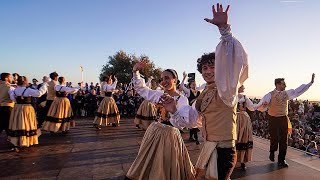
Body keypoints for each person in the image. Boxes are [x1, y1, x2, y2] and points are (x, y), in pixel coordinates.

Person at [161, 3, 249, 179]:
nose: (208, 71)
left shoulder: (227, 90)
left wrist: (225, 30)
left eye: (212, 67)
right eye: (205, 68)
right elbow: (192, 121)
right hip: (208, 148)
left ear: (221, 68)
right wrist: (174, 110)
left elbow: (236, 61)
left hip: (224, 151)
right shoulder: (204, 95)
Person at [125, 61, 196, 180]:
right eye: (162, 78)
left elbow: (183, 124)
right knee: (148, 161)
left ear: (175, 79)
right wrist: (135, 72)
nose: (164, 81)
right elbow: (141, 89)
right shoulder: (159, 94)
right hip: (155, 131)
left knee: (166, 163)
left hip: (170, 135)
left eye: (167, 78)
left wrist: (173, 110)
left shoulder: (182, 99)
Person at [256, 74, 315, 167]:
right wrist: (263, 105)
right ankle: (272, 151)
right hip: (273, 118)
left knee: (284, 139)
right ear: (277, 85)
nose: (285, 85)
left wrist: (310, 83)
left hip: (283, 118)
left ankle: (281, 160)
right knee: (274, 137)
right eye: (283, 84)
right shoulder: (269, 94)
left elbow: (298, 90)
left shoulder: (287, 93)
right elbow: (262, 105)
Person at [8, 76, 46, 152]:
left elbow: (13, 99)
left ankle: (18, 141)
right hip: (26, 108)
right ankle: (26, 140)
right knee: (27, 124)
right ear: (24, 81)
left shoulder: (14, 90)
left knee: (18, 123)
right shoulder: (28, 90)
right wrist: (44, 85)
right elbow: (39, 93)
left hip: (17, 108)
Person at [180, 71, 206, 145]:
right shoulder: (188, 91)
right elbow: (181, 87)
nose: (194, 85)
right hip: (190, 110)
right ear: (190, 85)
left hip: (197, 110)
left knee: (195, 124)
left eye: (195, 84)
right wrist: (184, 77)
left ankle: (193, 137)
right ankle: (195, 138)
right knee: (193, 124)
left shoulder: (198, 92)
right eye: (193, 84)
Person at [236, 85, 256, 170]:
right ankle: (233, 159)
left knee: (244, 137)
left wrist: (261, 105)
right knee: (235, 138)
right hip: (235, 118)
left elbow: (252, 107)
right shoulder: (232, 96)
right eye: (243, 86)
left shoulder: (245, 97)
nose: (244, 88)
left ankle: (242, 161)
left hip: (244, 119)